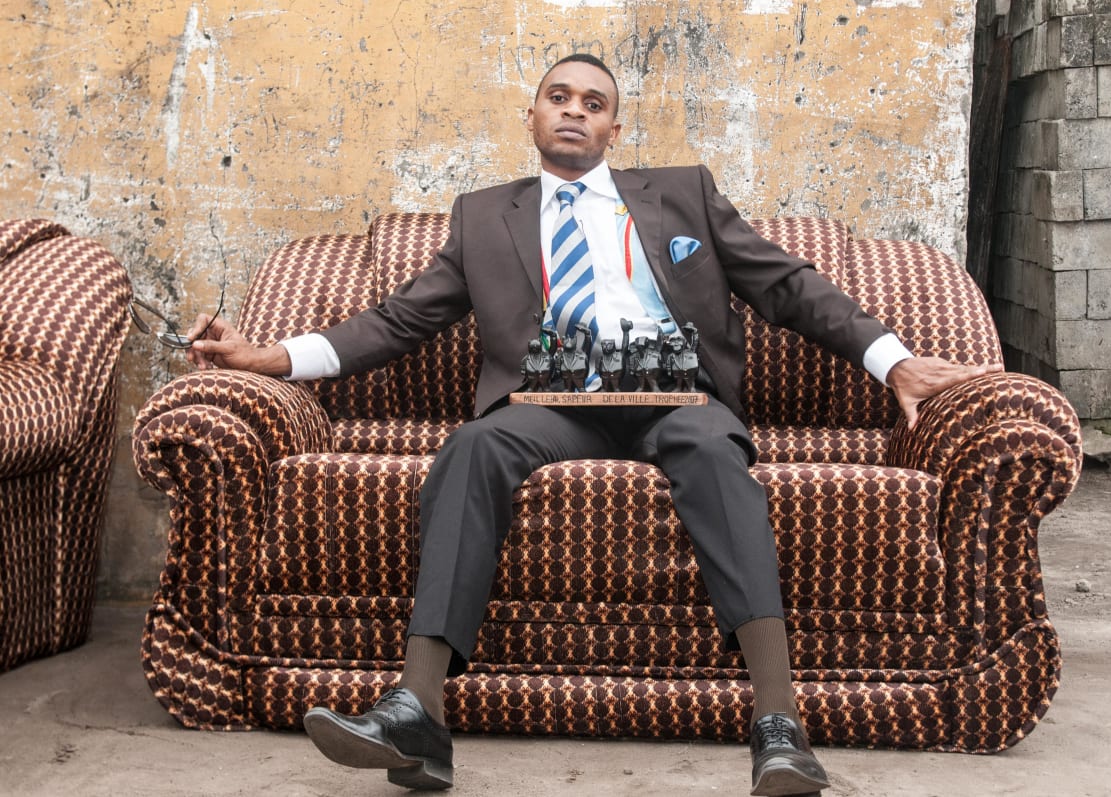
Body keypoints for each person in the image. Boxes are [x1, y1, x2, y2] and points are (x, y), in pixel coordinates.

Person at [186, 53, 997, 796]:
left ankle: (779, 727)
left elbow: (786, 283)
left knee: (716, 458)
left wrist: (892, 360)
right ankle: (416, 715)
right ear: (532, 116)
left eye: (594, 103)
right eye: (559, 97)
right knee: (472, 446)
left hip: (675, 394)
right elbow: (396, 321)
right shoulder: (481, 217)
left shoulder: (682, 192)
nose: (575, 111)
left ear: (615, 126)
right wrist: (269, 358)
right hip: (549, 404)